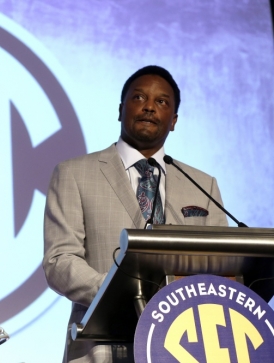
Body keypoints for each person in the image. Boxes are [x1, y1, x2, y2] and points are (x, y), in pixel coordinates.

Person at [43, 65, 228, 363]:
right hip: (101, 344)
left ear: (174, 121)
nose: (150, 107)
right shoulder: (74, 173)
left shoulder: (203, 185)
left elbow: (221, 268)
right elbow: (59, 261)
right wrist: (123, 296)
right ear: (120, 109)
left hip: (185, 347)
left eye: (162, 102)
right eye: (139, 98)